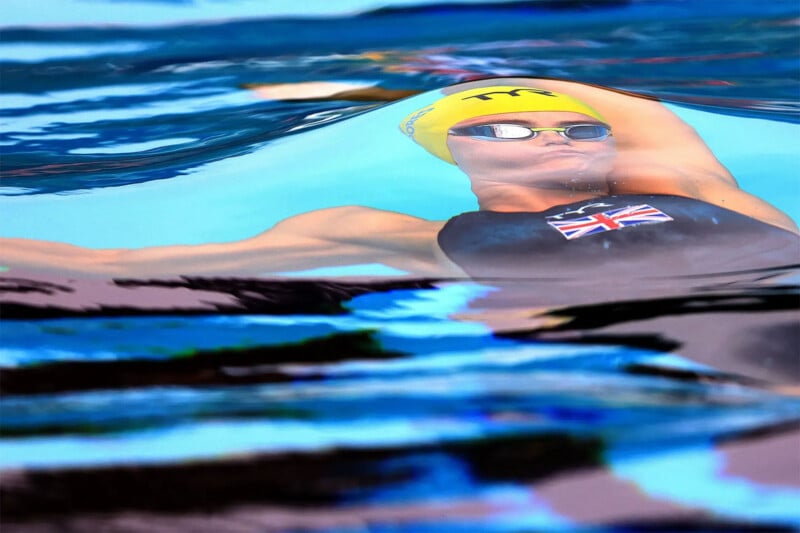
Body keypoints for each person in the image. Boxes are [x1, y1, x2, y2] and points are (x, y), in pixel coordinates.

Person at [1, 78, 797, 278]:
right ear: (459, 152)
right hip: (617, 353)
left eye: (577, 129)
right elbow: (112, 265)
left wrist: (449, 77)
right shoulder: (385, 232)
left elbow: (639, 110)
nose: (557, 136)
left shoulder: (696, 193)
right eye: (513, 126)